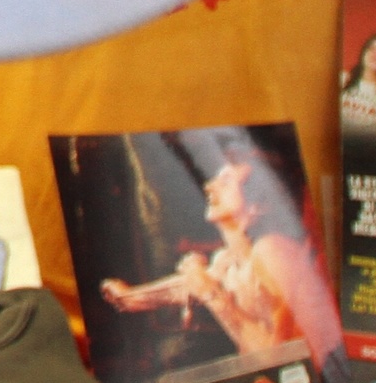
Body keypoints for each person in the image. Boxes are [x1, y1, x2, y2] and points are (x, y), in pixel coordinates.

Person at [96, 151, 346, 369]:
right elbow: (188, 285)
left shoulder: (274, 250)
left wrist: (210, 291)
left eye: (226, 181)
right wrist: (131, 298)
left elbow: (281, 363)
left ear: (256, 207)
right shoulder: (230, 260)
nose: (209, 186)